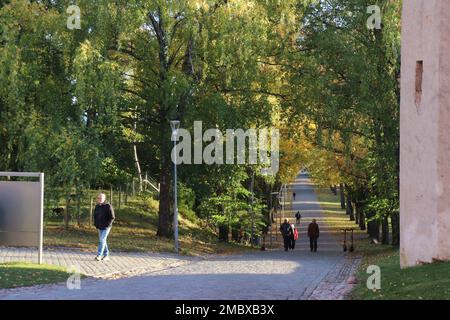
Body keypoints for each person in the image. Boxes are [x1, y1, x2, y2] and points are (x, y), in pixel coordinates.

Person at [93, 193, 115, 261]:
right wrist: (96, 224)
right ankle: (106, 255)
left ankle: (99, 255)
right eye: (98, 198)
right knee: (103, 241)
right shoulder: (97, 206)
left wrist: (108, 225)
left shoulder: (108, 206)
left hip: (106, 227)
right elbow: (95, 216)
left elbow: (112, 217)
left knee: (101, 240)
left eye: (101, 198)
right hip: (99, 226)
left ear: (104, 199)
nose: (99, 199)